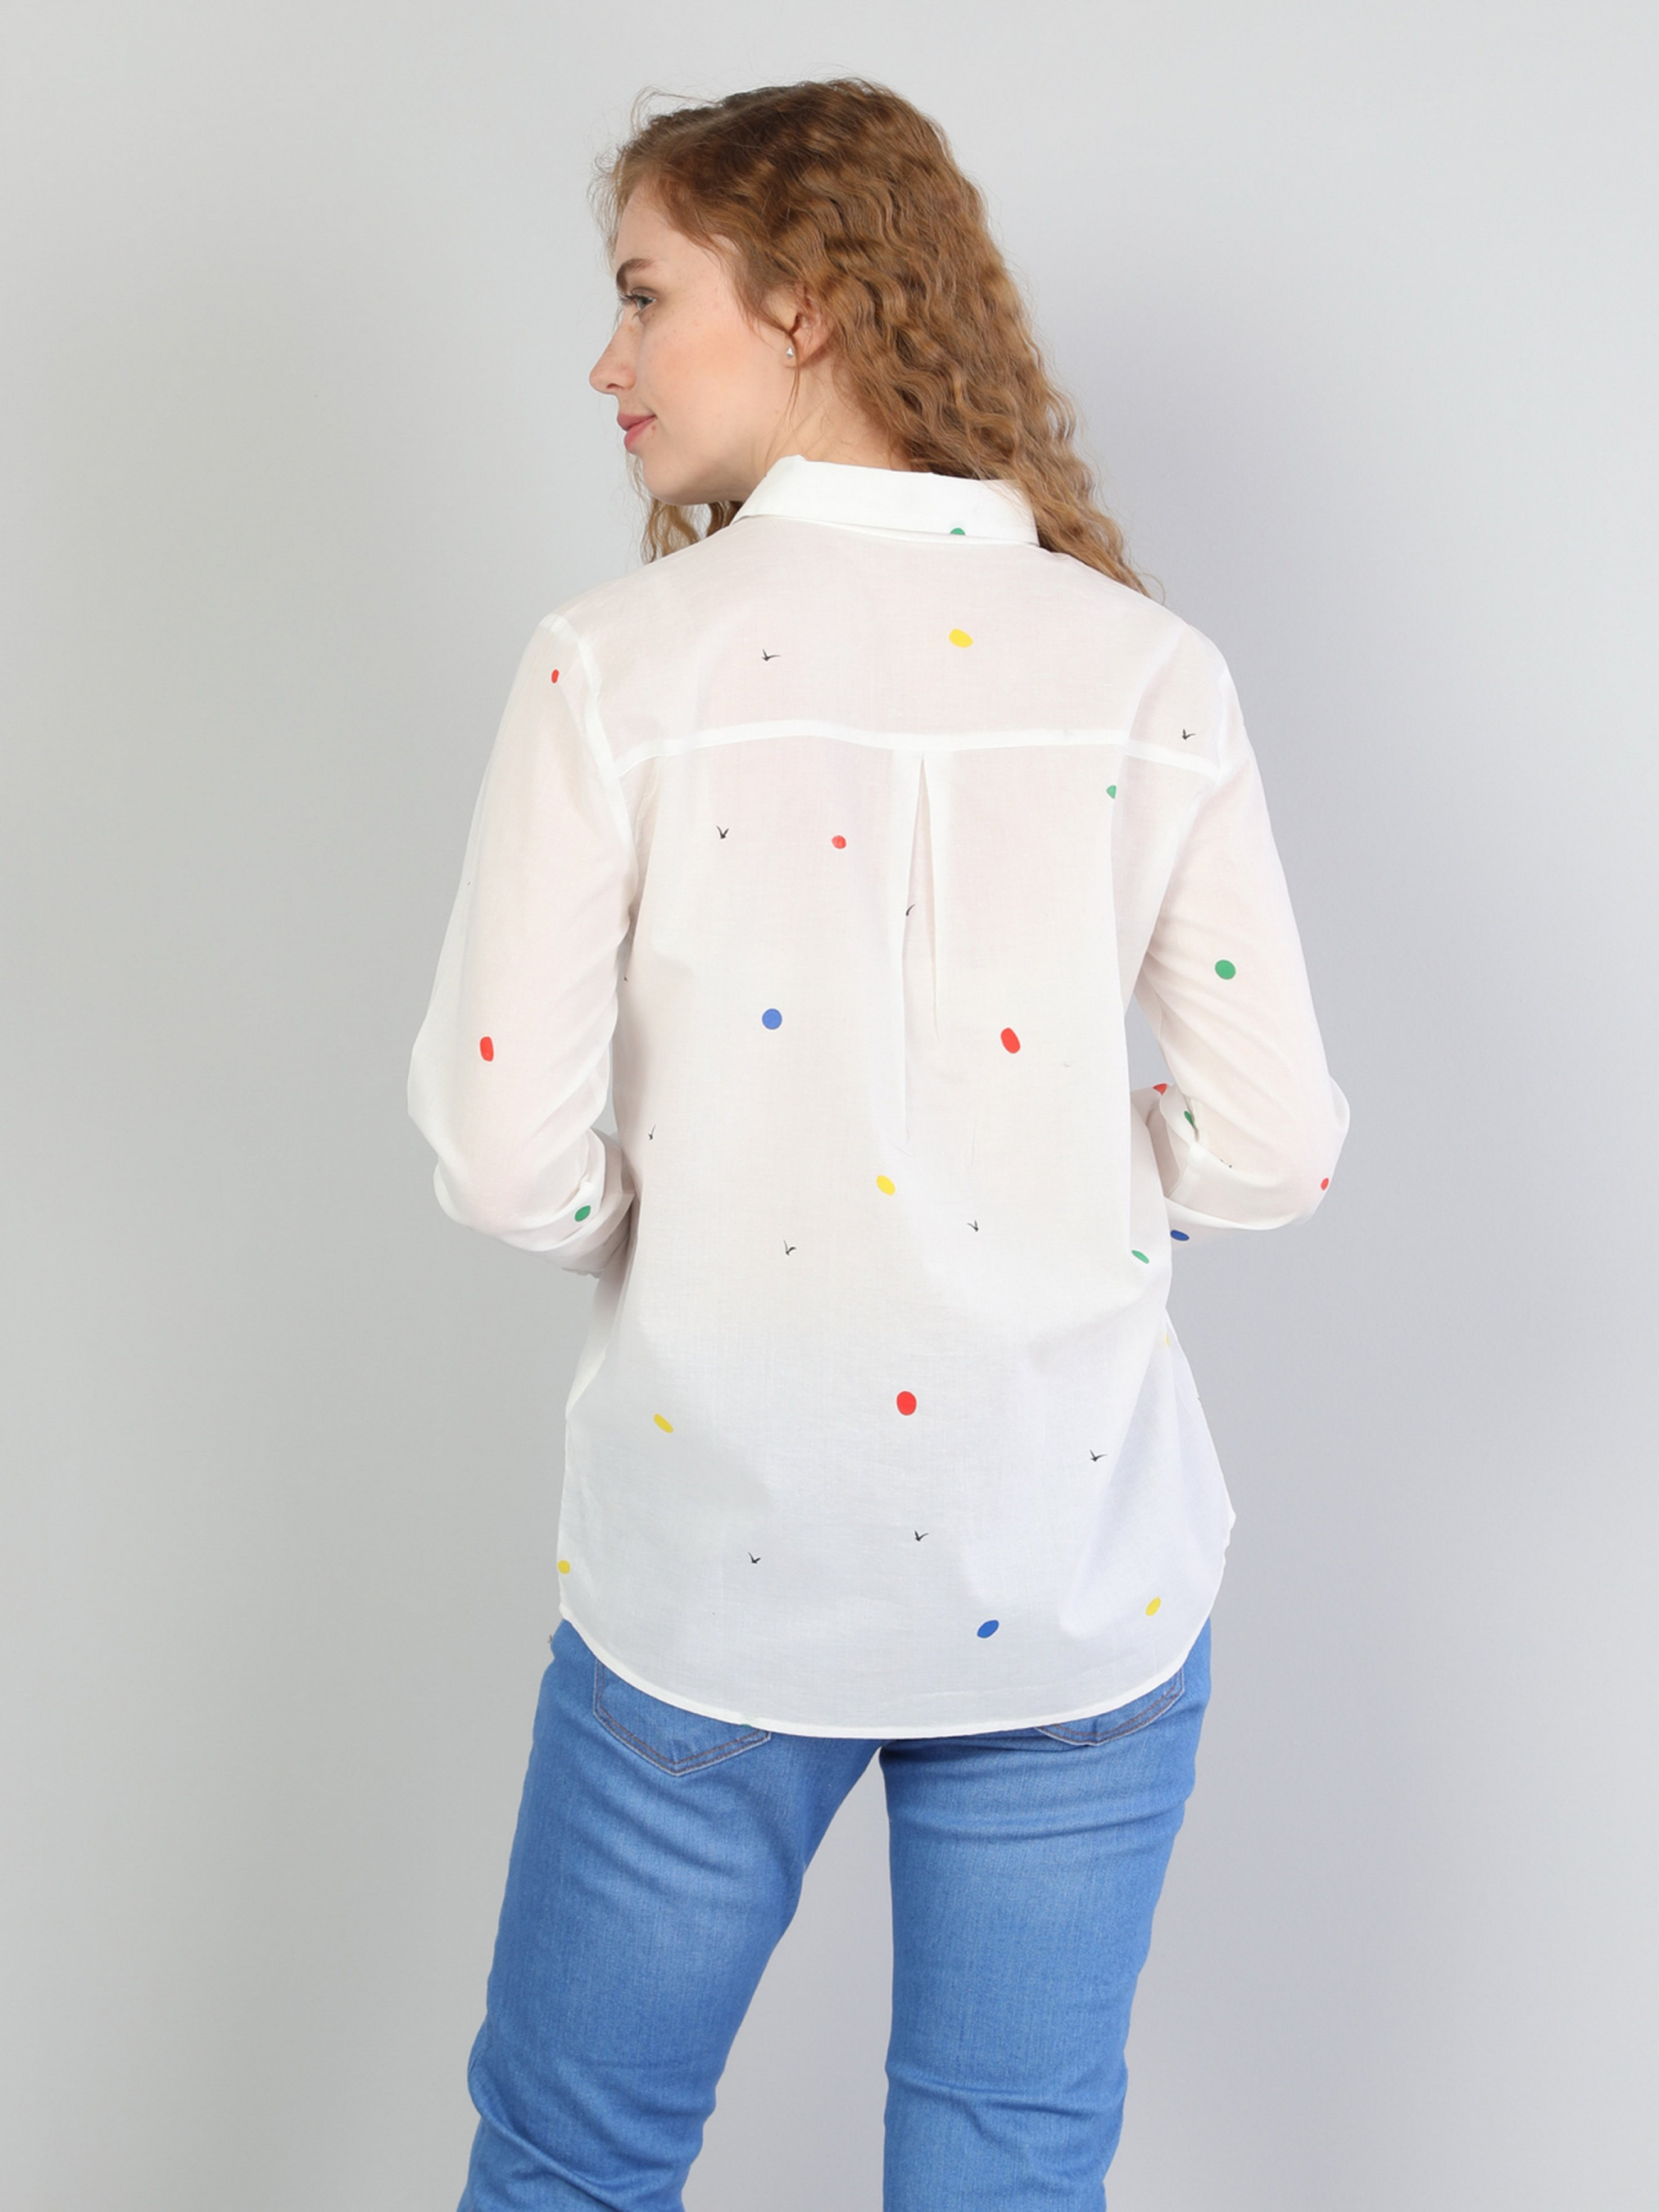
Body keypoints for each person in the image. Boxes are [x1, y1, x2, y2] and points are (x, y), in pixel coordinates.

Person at [408, 74, 1349, 2212]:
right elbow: (1275, 1143)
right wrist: (1064, 1185)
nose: (607, 361)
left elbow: (502, 1155)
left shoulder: (614, 668)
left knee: (572, 2158)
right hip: (1073, 1556)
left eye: (644, 295)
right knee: (1010, 2167)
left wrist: (693, 1217)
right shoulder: (1143, 670)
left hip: (712, 1560)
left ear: (808, 301)